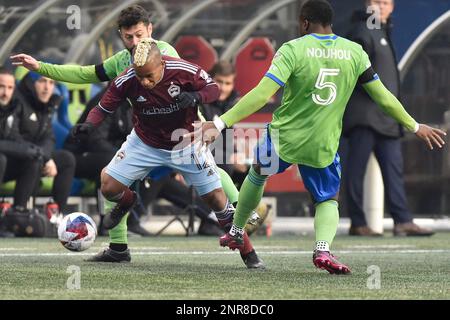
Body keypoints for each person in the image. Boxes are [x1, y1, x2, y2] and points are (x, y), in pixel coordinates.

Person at [187, 0, 446, 274]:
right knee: (327, 199)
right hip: (322, 143)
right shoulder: (355, 52)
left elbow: (262, 94)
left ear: (304, 22)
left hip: (284, 138)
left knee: (257, 174)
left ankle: (237, 231)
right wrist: (415, 126)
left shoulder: (292, 49)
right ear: (330, 22)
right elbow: (383, 97)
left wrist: (221, 121)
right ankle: (322, 249)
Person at [10, 5, 251, 263]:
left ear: (150, 29)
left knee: (213, 186)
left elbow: (199, 86)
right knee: (112, 179)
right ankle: (118, 247)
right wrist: (41, 67)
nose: (135, 42)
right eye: (128, 37)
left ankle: (245, 219)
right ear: (121, 36)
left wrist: (208, 120)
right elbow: (85, 74)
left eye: (139, 35)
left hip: (184, 133)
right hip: (147, 137)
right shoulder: (123, 61)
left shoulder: (164, 54)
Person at [72, 39, 264, 269]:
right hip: (144, 142)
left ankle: (249, 254)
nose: (144, 81)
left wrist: (195, 97)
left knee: (216, 200)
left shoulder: (183, 70)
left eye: (149, 76)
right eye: (139, 75)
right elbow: (104, 106)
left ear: (162, 64)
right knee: (108, 186)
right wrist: (90, 125)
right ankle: (127, 200)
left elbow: (213, 88)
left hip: (185, 142)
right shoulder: (127, 78)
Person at [342, 0, 434, 237]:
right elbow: (350, 72)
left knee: (394, 171)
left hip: (388, 119)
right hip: (364, 117)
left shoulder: (382, 31)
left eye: (385, 2)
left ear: (392, 7)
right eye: (375, 2)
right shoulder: (362, 31)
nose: (380, 7)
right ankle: (358, 222)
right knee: (356, 171)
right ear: (367, 5)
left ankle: (402, 221)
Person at [17, 72, 76, 216]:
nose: (47, 88)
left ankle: (57, 217)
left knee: (67, 159)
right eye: (42, 81)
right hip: (17, 156)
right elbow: (15, 138)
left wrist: (46, 157)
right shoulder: (18, 102)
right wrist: (45, 157)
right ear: (31, 84)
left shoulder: (47, 105)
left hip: (37, 155)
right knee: (34, 161)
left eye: (51, 83)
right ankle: (19, 213)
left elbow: (49, 138)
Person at [0, 67, 43, 213]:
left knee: (32, 160)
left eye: (10, 87)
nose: (5, 92)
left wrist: (34, 150)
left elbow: (14, 137)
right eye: (1, 87)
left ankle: (19, 214)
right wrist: (24, 149)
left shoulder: (12, 108)